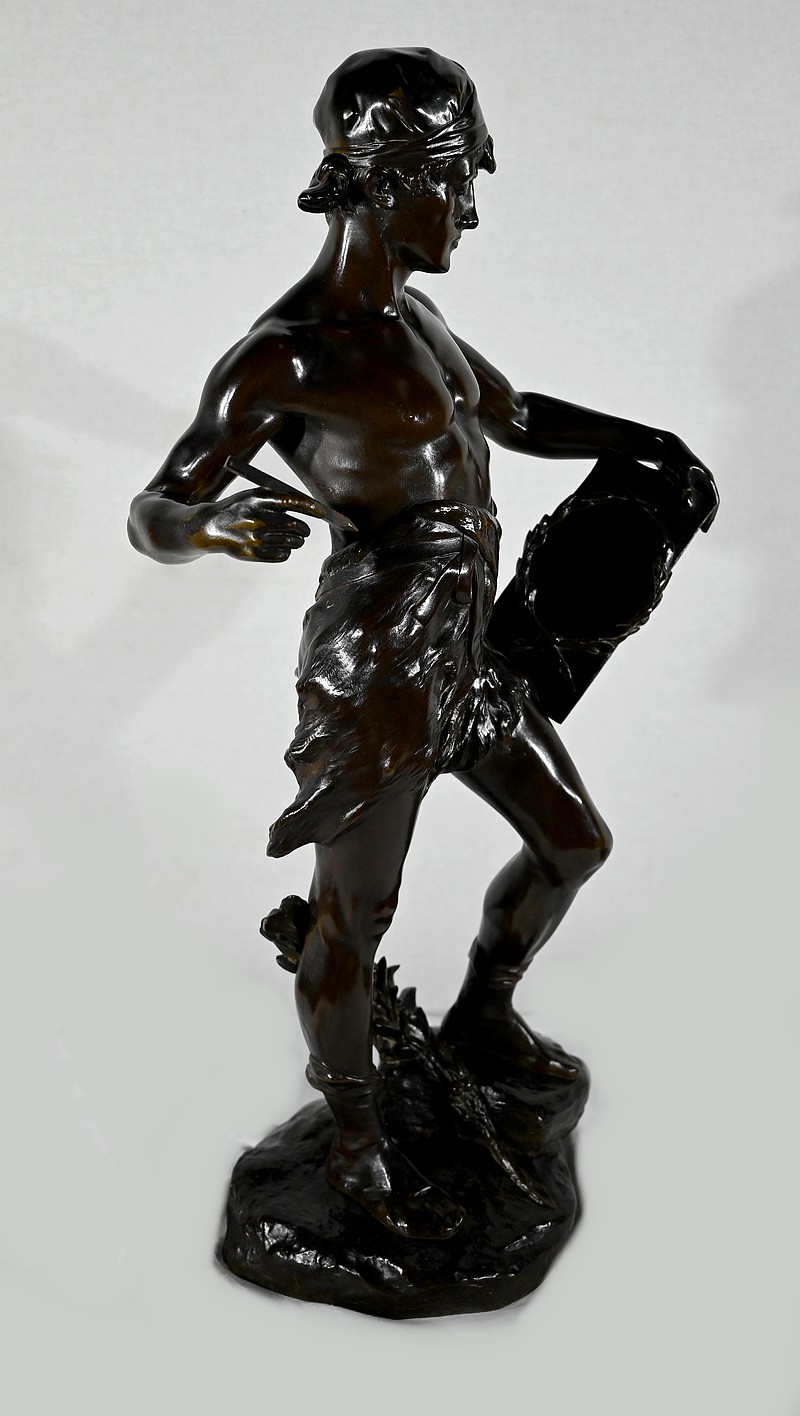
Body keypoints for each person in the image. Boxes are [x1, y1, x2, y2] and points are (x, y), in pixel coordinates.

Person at [129, 48, 715, 1241]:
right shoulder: (284, 355)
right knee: (353, 916)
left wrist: (646, 442)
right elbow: (156, 507)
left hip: (466, 656)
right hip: (380, 672)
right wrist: (213, 527)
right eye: (455, 181)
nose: (469, 210)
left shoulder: (421, 320)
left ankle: (482, 1016)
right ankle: (354, 1143)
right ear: (385, 178)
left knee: (574, 842)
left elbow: (516, 414)